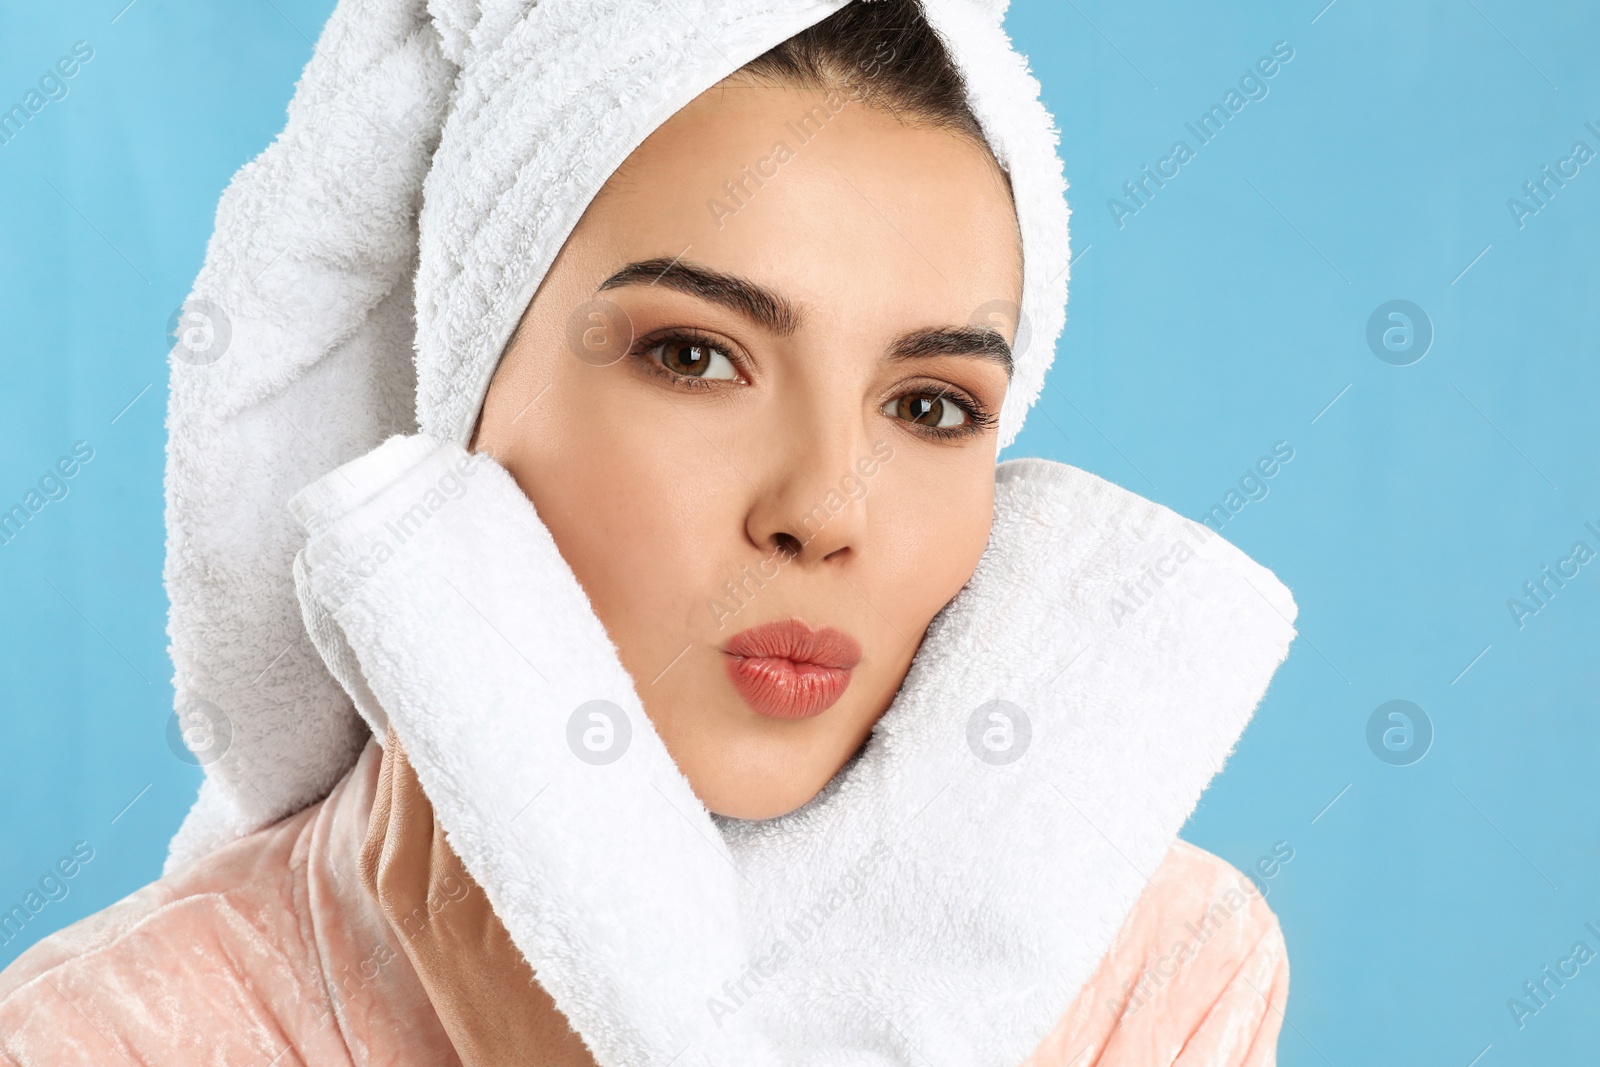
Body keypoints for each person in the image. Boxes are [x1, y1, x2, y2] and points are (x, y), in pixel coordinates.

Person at [0, 2, 1294, 1064]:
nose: (824, 511)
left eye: (929, 404)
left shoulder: (1153, 970)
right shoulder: (121, 1034)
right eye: (694, 355)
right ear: (463, 387)